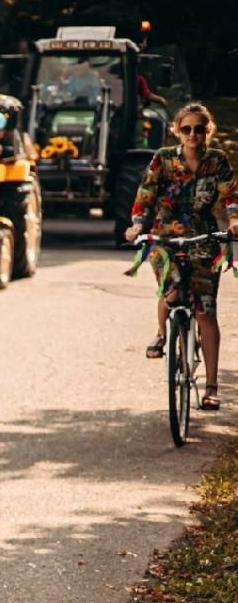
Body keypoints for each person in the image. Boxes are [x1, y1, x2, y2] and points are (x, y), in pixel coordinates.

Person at [125, 102, 238, 410]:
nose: (192, 134)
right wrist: (137, 225)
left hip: (204, 238)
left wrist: (234, 220)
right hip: (166, 239)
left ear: (208, 131)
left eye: (199, 129)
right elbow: (145, 195)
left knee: (205, 311)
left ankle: (212, 387)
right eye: (186, 129)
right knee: (173, 292)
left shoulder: (218, 161)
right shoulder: (162, 160)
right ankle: (164, 334)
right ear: (177, 130)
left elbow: (230, 196)